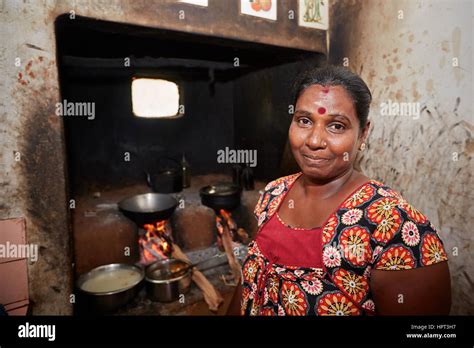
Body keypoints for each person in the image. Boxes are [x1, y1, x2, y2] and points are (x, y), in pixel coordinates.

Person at [227, 65, 451, 316]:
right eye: (304, 121)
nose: (313, 140)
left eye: (336, 126)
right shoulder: (274, 193)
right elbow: (251, 277)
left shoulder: (394, 224)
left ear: (363, 133)